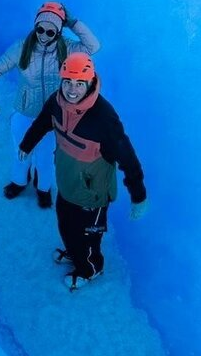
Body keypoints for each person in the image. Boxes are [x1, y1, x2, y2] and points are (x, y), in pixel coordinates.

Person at [18, 52, 148, 290]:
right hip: (68, 183)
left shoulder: (104, 118)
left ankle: (90, 268)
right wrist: (27, 144)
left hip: (93, 195)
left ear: (90, 82)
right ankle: (74, 253)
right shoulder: (56, 102)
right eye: (67, 82)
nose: (72, 89)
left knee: (88, 237)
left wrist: (138, 197)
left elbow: (128, 159)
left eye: (80, 84)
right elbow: (42, 122)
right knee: (66, 225)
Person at [0, 2, 100, 209]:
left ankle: (43, 188)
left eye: (51, 31)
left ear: (59, 31)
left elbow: (93, 47)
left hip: (53, 118)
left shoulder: (69, 49)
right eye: (40, 29)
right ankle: (19, 182)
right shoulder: (21, 48)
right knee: (21, 152)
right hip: (25, 114)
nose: (44, 35)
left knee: (46, 159)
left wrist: (72, 22)